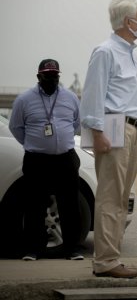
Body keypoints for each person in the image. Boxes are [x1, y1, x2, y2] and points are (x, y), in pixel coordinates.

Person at [80, 0, 137, 279]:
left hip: (133, 129)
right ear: (128, 21)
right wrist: (97, 133)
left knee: (121, 197)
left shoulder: (130, 52)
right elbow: (93, 95)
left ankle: (112, 257)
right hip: (113, 126)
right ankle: (105, 262)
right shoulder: (105, 51)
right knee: (110, 196)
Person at [9, 59, 84, 261]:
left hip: (66, 159)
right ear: (38, 77)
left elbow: (77, 124)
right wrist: (35, 144)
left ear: (59, 76)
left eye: (55, 76)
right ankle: (34, 249)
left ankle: (72, 249)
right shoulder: (24, 100)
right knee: (34, 205)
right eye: (47, 76)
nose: (51, 79)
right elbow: (15, 128)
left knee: (70, 205)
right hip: (37, 160)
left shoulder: (70, 98)